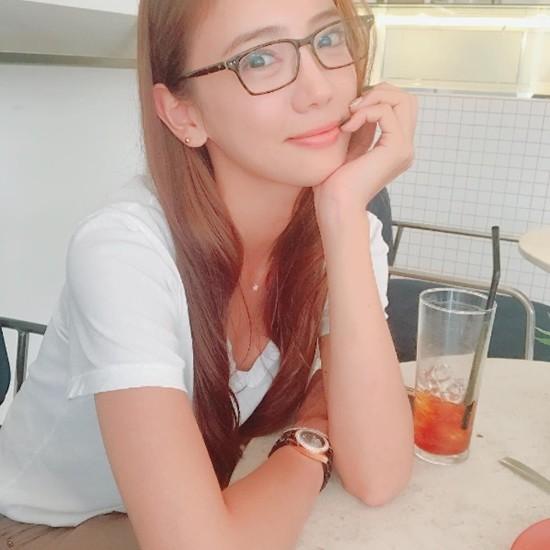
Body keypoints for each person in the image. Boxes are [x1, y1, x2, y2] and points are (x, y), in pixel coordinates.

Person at [0, 0, 418, 548]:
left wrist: (342, 213)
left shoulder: (343, 224)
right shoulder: (126, 249)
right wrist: (310, 434)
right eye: (259, 59)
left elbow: (379, 475)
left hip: (207, 503)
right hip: (52, 528)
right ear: (183, 115)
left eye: (328, 38)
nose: (319, 89)